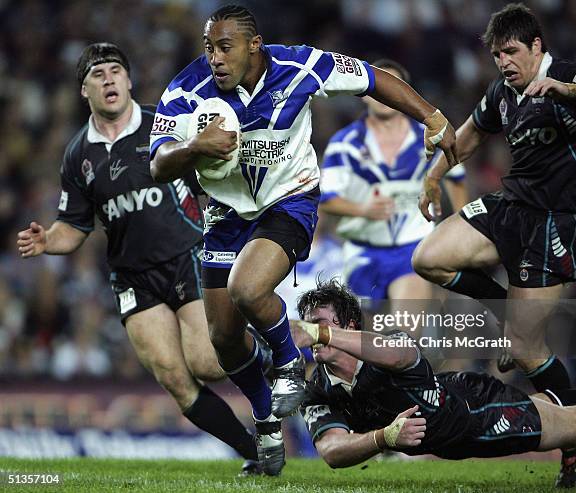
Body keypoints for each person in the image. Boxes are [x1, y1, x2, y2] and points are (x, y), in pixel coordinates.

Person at [149, 4, 458, 476]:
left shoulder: (301, 66)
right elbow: (158, 162)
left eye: (225, 47)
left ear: (255, 46)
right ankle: (266, 420)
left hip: (289, 202)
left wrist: (432, 116)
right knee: (224, 340)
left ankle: (290, 364)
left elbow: (374, 79)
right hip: (226, 214)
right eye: (209, 47)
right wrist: (196, 147)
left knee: (248, 288)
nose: (214, 57)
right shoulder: (186, 89)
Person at [16, 43, 262, 475]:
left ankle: (278, 352)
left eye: (116, 71)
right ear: (84, 91)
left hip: (187, 255)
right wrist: (47, 240)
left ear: (129, 80)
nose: (108, 79)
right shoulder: (78, 155)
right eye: (98, 74)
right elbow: (73, 226)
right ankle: (255, 452)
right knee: (174, 377)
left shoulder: (161, 125)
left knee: (207, 361)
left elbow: (212, 179)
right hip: (132, 276)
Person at [412, 4, 576, 485]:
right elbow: (474, 131)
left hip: (552, 223)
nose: (504, 61)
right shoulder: (502, 91)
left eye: (512, 52)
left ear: (537, 46)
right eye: (498, 53)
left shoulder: (566, 76)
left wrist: (566, 89)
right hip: (508, 206)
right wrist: (435, 175)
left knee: (523, 348)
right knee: (428, 258)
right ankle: (501, 306)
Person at [294, 279, 576, 488]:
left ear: (348, 325)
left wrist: (321, 334)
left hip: (478, 413)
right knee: (560, 407)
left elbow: (399, 354)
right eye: (307, 325)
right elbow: (332, 451)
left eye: (319, 324)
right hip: (450, 430)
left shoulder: (385, 345)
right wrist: (382, 438)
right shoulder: (318, 389)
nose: (311, 333)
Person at [319, 59, 467, 301]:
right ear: (363, 94)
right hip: (362, 251)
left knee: (402, 333)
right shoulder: (344, 143)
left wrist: (460, 229)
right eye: (378, 88)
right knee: (364, 335)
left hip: (414, 248)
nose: (384, 96)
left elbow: (457, 176)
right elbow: (325, 200)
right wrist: (362, 209)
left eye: (393, 88)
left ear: (404, 94)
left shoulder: (427, 137)